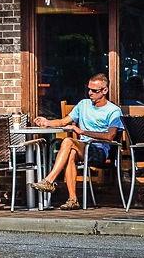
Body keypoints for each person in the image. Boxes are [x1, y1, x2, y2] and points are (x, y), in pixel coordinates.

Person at [29, 73, 122, 210]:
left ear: (105, 91)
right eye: (89, 89)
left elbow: (110, 136)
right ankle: (72, 199)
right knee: (71, 152)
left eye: (94, 91)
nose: (90, 93)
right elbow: (63, 121)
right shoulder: (83, 105)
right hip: (83, 147)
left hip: (101, 150)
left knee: (68, 141)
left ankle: (49, 180)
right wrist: (47, 122)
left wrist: (82, 131)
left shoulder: (113, 110)